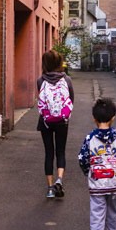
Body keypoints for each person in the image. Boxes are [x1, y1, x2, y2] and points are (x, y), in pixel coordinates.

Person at [78, 97, 116, 230]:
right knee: (114, 210)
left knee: (97, 212)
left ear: (94, 119)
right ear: (113, 118)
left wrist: (87, 172)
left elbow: (83, 159)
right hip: (114, 181)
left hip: (97, 183)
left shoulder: (90, 138)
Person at [36, 49, 74, 199]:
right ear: (60, 63)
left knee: (49, 153)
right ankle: (60, 179)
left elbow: (40, 100)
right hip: (62, 121)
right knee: (61, 151)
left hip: (45, 122)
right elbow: (71, 99)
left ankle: (50, 188)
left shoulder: (40, 80)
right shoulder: (67, 80)